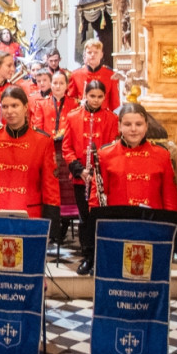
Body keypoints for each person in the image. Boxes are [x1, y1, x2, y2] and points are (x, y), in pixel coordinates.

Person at [0, 86, 60, 222]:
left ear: (25, 107)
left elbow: (50, 186)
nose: (9, 111)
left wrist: (51, 225)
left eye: (14, 105)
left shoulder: (43, 141)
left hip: (31, 216)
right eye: (5, 107)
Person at [60, 80, 119, 275]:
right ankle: (87, 256)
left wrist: (98, 172)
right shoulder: (72, 116)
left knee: (102, 218)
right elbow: (66, 148)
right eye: (92, 96)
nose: (95, 100)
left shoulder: (111, 118)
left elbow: (112, 147)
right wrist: (80, 170)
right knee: (85, 218)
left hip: (103, 177)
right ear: (85, 95)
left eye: (100, 97)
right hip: (81, 177)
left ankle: (102, 257)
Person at [89, 102, 177, 211]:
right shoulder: (105, 154)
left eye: (139, 124)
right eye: (127, 124)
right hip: (118, 223)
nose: (133, 129)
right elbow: (96, 199)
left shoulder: (162, 154)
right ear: (119, 126)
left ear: (146, 126)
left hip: (153, 224)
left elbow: (170, 200)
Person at [67, 38, 120, 112]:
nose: (92, 55)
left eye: (96, 52)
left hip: (103, 117)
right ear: (85, 54)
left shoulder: (111, 75)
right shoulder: (76, 75)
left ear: (101, 55)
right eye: (89, 52)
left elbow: (115, 103)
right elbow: (71, 100)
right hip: (82, 115)